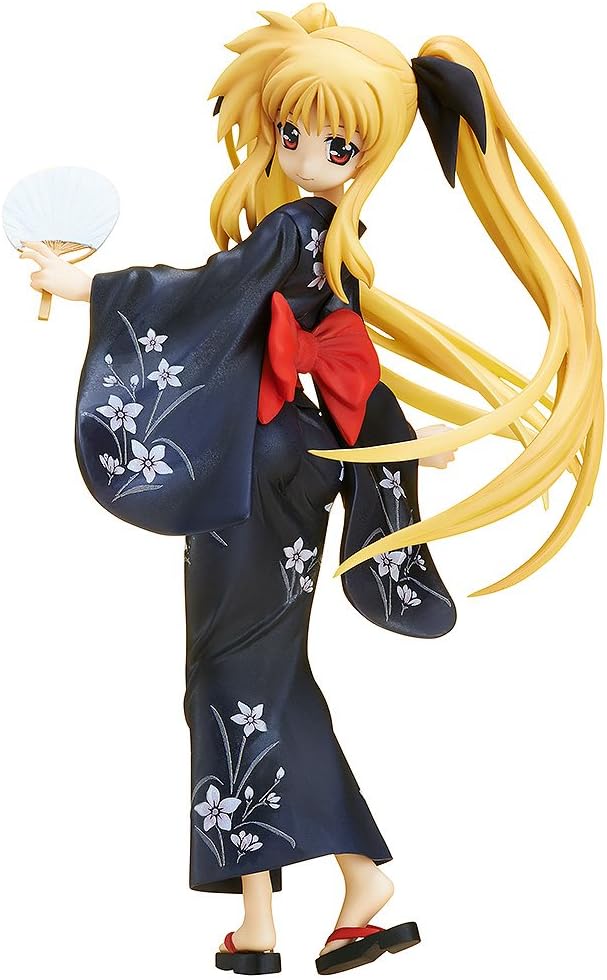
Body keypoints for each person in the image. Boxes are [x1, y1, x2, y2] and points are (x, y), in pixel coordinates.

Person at [19, 4, 602, 975]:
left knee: (226, 676)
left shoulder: (298, 228)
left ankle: (302, 903)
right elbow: (348, 362)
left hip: (259, 469)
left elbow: (209, 294)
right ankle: (316, 897)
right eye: (291, 131)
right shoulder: (332, 236)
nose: (305, 152)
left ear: (366, 150)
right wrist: (397, 444)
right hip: (294, 463)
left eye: (334, 142)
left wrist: (91, 289)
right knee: (258, 676)